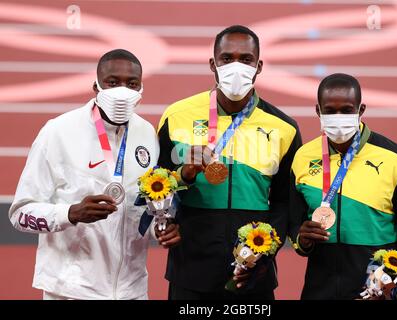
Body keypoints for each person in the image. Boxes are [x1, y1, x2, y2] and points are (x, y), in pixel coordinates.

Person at [9, 49, 180, 300]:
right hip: (70, 290)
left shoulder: (147, 135)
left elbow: (147, 208)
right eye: (112, 82)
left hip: (131, 291)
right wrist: (70, 213)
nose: (122, 91)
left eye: (131, 84)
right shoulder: (58, 132)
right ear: (96, 86)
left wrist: (161, 228)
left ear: (141, 89)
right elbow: (19, 214)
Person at [157, 25, 302, 300]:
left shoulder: (284, 127)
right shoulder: (176, 116)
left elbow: (286, 202)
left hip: (254, 274)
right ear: (213, 63)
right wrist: (169, 216)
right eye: (227, 58)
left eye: (246, 59)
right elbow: (157, 183)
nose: (236, 67)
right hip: (190, 270)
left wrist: (266, 251)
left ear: (258, 66)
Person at [288, 73, 397, 299]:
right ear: (318, 111)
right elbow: (294, 221)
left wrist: (395, 282)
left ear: (361, 109)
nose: (338, 117)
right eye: (330, 110)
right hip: (318, 290)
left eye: (347, 110)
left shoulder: (396, 158)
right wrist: (302, 239)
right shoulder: (302, 157)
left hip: (374, 290)